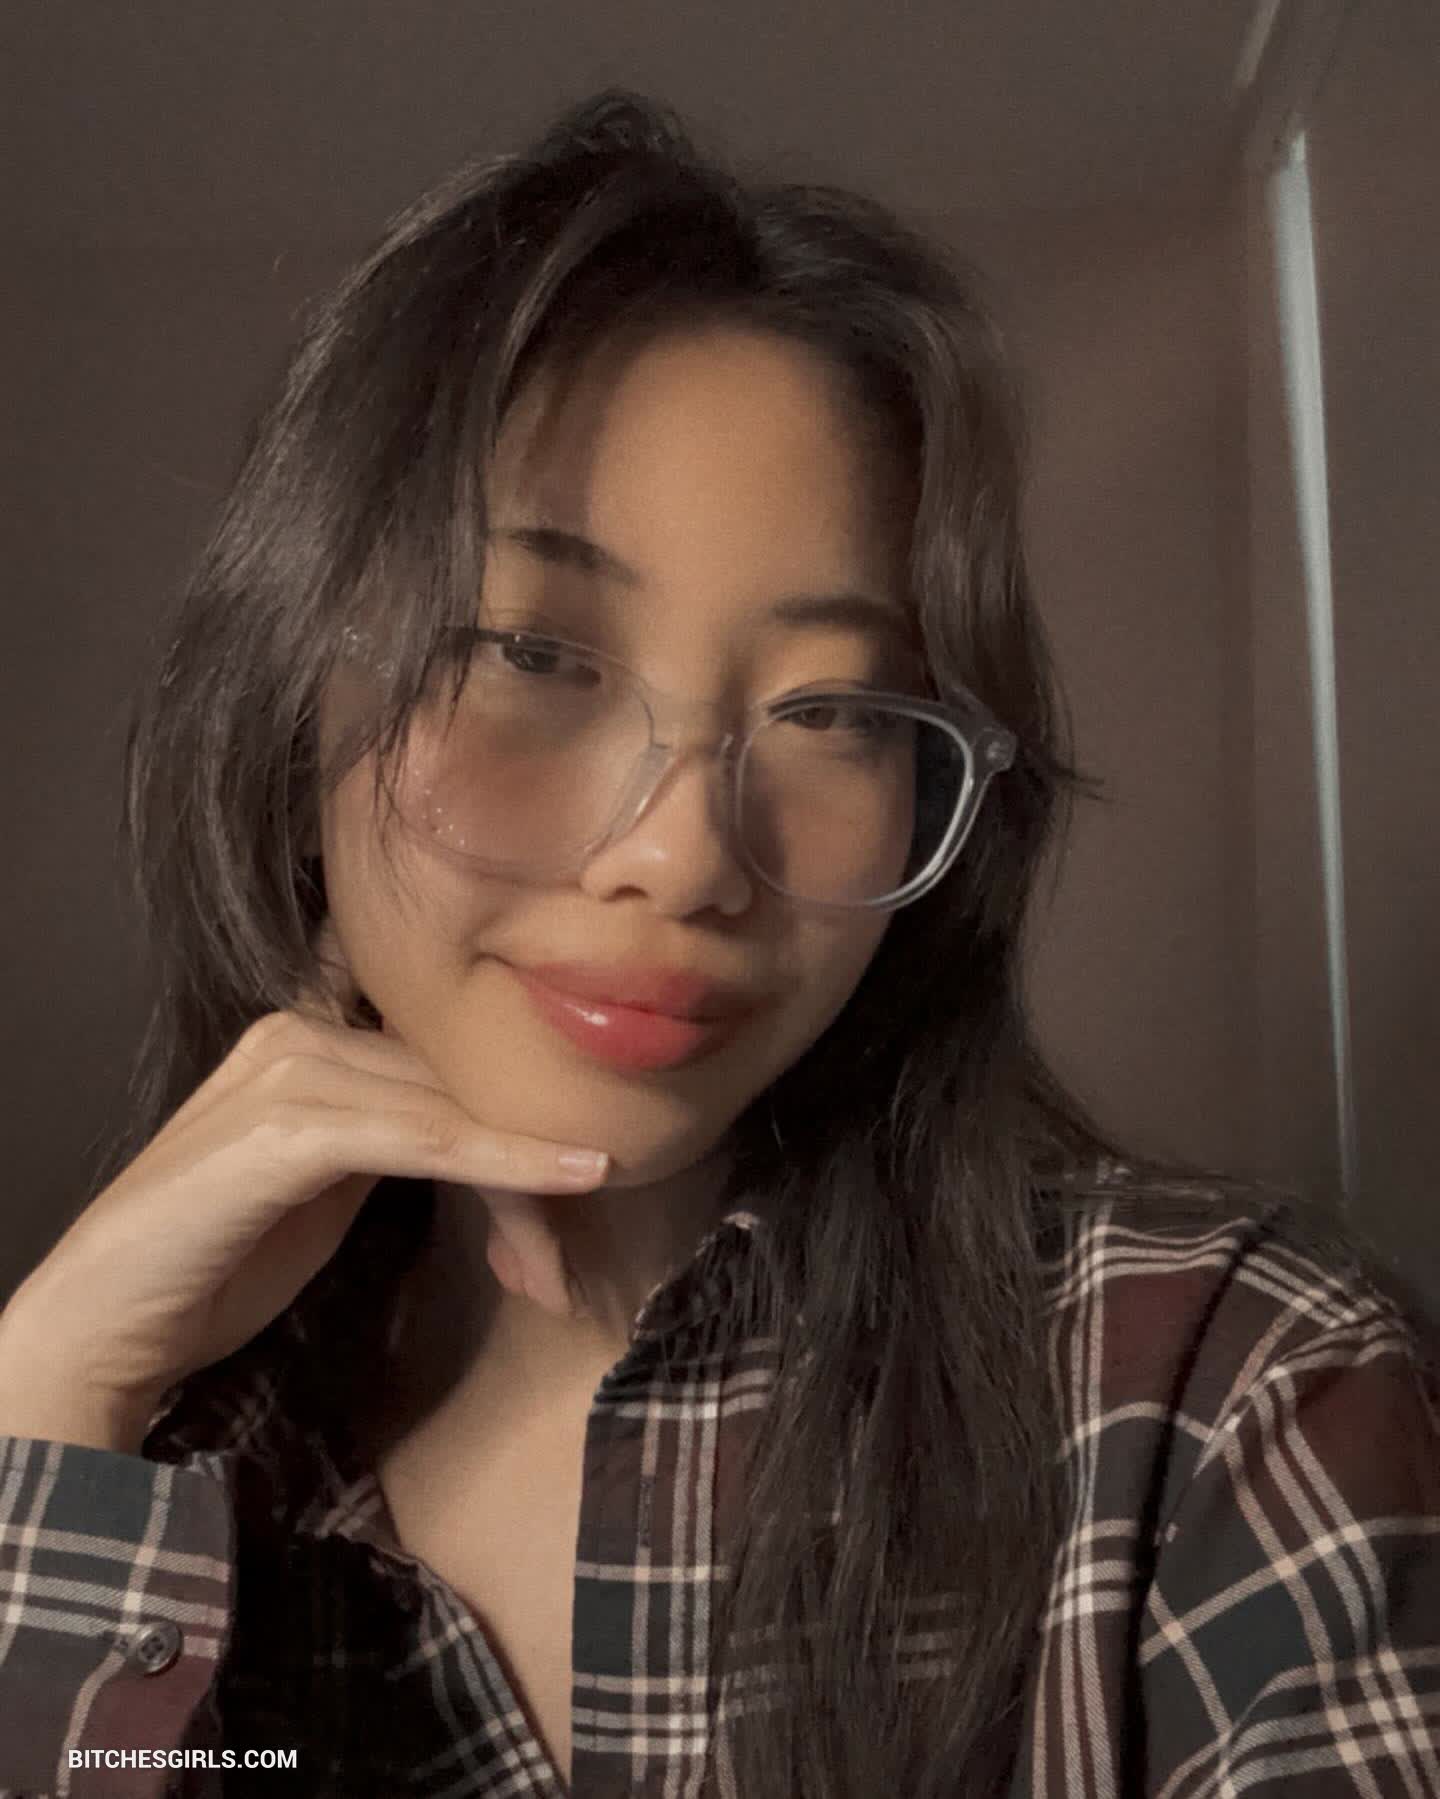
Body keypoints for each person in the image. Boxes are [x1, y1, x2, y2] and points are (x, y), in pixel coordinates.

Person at [0, 87, 1436, 1799]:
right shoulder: (162, 1466)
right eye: (534, 657)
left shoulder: (1218, 1392)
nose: (685, 860)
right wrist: (46, 1400)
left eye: (833, 711)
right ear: (289, 699)